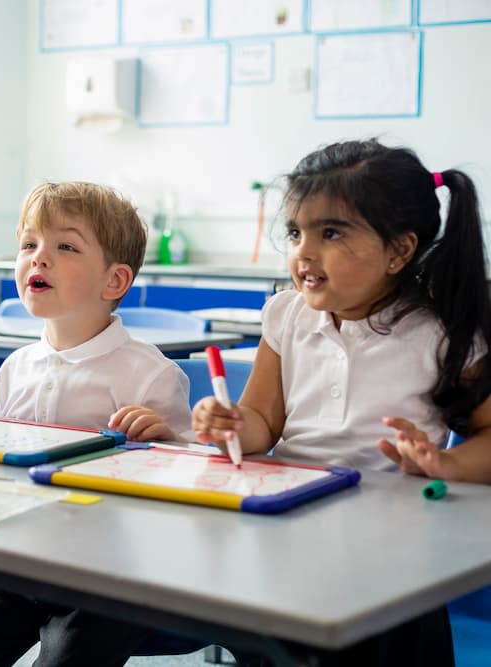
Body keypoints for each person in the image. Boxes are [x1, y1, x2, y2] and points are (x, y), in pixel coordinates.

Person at [194, 138, 491, 665]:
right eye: (295, 232)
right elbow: (263, 419)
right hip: (288, 528)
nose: (304, 251)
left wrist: (445, 463)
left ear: (399, 250)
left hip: (389, 552)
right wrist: (232, 424)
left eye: (330, 232)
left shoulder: (441, 333)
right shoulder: (286, 315)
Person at [0, 181, 194, 667]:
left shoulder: (149, 373)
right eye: (29, 244)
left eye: (65, 246)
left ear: (115, 281)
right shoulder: (16, 367)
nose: (38, 259)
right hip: (19, 563)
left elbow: (190, 487)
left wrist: (168, 443)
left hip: (110, 578)